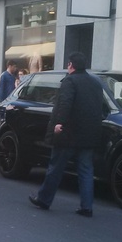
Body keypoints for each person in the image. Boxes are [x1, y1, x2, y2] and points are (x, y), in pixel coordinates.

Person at [28, 52, 104, 217]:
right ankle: (87, 207)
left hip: (69, 133)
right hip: (89, 135)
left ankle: (44, 199)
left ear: (70, 65)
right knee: (86, 170)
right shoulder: (96, 82)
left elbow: (65, 103)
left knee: (56, 167)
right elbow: (101, 108)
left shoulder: (69, 81)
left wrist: (59, 123)